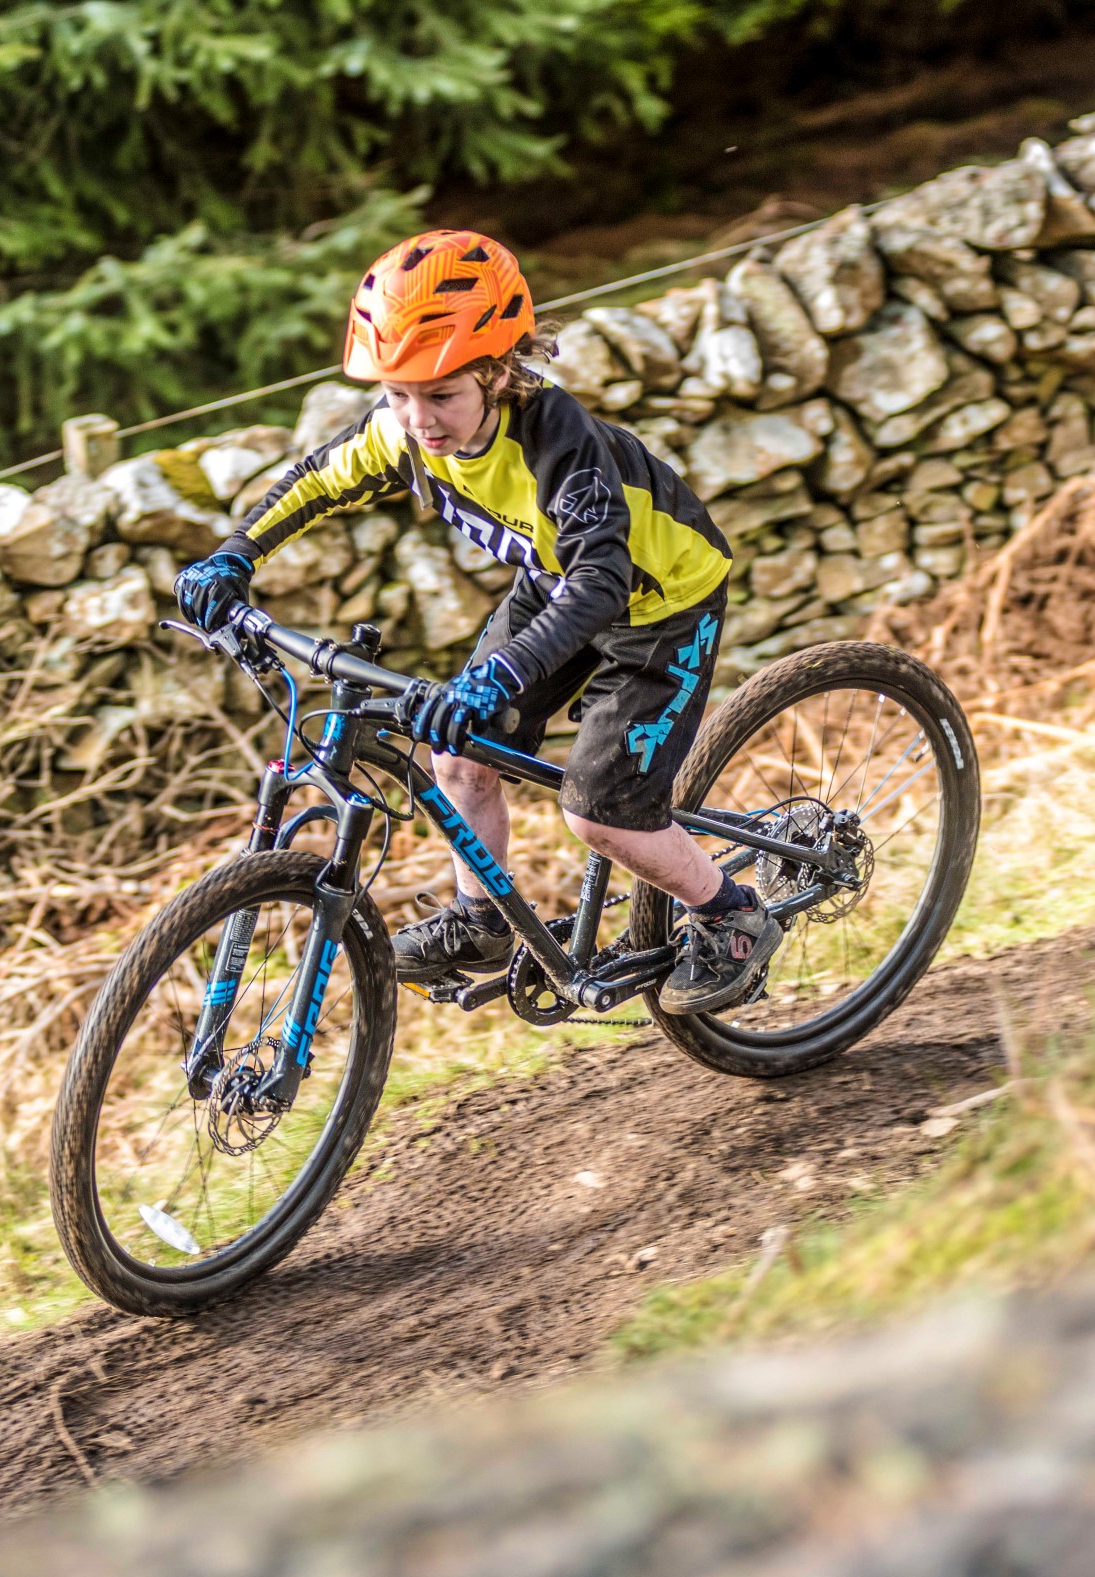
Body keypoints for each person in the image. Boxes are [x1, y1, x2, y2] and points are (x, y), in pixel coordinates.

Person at [175, 228, 782, 1015]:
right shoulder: (407, 429)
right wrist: (232, 557)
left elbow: (601, 582)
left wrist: (495, 674)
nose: (417, 419)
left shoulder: (559, 442)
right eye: (396, 393)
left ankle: (731, 913)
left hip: (658, 600)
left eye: (440, 395)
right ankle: (483, 919)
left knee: (599, 812)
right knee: (454, 755)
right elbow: (315, 481)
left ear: (497, 374)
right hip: (555, 583)